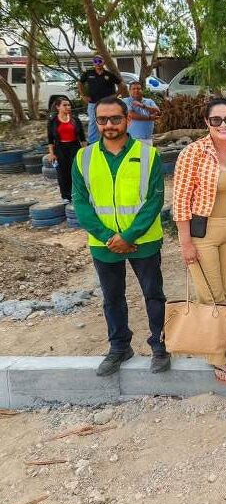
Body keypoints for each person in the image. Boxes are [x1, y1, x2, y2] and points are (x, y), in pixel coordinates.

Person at [70, 96, 170, 376]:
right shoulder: (83, 157)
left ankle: (160, 346)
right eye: (102, 120)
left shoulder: (149, 155)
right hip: (104, 244)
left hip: (143, 241)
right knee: (112, 298)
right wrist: (108, 236)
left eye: (115, 118)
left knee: (153, 295)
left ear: (127, 119)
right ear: (96, 122)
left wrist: (129, 236)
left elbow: (154, 200)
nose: (109, 125)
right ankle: (119, 347)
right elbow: (80, 202)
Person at [172, 97, 226, 384]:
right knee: (211, 296)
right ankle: (216, 355)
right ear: (207, 122)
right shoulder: (193, 153)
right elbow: (180, 200)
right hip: (203, 233)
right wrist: (185, 243)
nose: (223, 125)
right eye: (216, 120)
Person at [47, 98, 86, 203]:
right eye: (65, 105)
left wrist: (85, 151)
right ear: (58, 107)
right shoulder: (53, 121)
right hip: (60, 148)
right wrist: (51, 153)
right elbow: (50, 139)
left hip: (74, 147)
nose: (68, 107)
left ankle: (78, 194)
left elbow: (82, 138)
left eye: (69, 105)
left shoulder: (75, 120)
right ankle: (66, 196)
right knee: (63, 173)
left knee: (76, 171)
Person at [78, 56, 123, 144]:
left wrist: (116, 95)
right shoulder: (88, 73)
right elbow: (80, 83)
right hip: (93, 103)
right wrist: (83, 95)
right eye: (96, 61)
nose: (98, 63)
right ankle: (92, 142)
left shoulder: (109, 74)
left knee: (108, 121)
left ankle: (109, 139)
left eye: (100, 61)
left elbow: (121, 85)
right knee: (93, 122)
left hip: (107, 103)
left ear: (103, 62)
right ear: (93, 63)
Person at [123, 80, 161, 145]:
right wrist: (149, 118)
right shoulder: (126, 101)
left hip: (148, 138)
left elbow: (157, 111)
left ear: (142, 90)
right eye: (133, 89)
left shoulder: (149, 101)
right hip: (132, 139)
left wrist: (143, 106)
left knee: (147, 152)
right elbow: (131, 115)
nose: (136, 90)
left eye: (138, 88)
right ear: (129, 91)